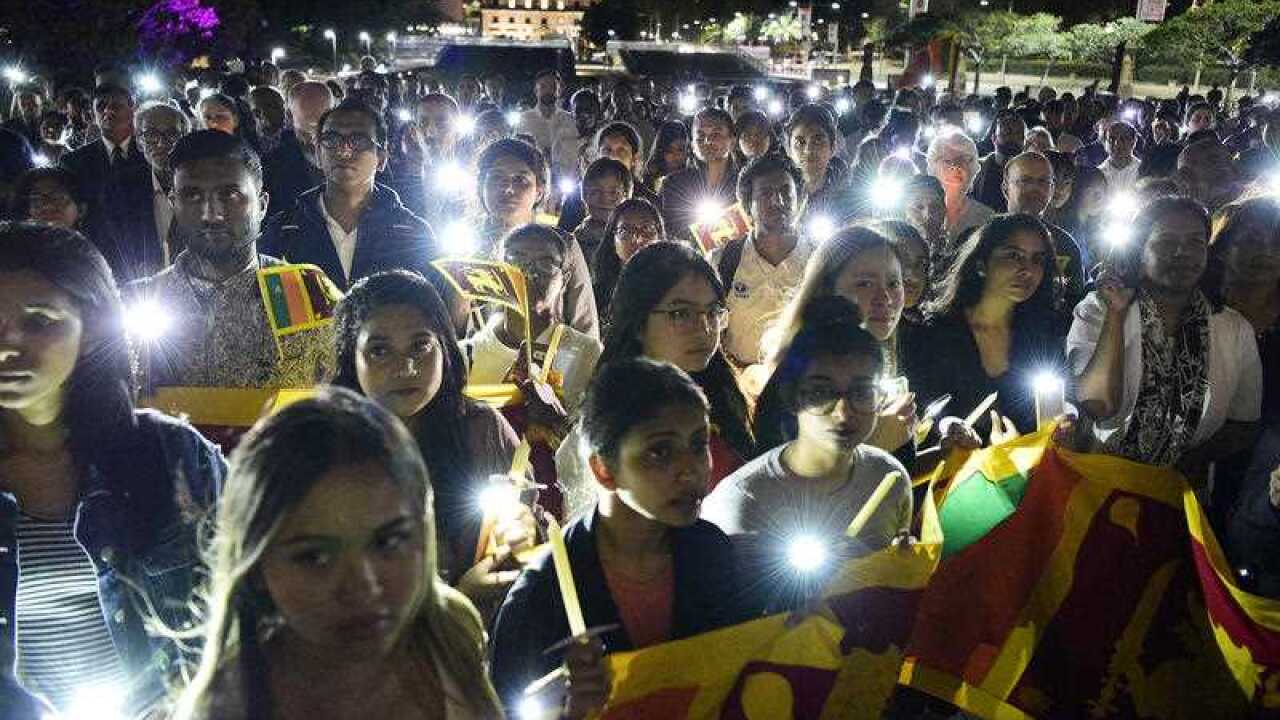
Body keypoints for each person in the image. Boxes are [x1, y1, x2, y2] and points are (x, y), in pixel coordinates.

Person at [0, 222, 225, 716]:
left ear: (90, 332)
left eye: (38, 321)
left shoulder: (171, 456)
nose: (7, 345)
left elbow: (246, 605)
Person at [170, 387, 503, 719]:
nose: (363, 584)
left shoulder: (448, 630)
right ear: (256, 566)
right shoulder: (231, 707)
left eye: (388, 541)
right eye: (315, 557)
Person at [491, 358, 749, 715]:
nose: (691, 469)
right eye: (660, 451)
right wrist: (562, 707)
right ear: (603, 469)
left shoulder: (710, 552)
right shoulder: (542, 595)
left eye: (698, 443)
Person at [328, 270, 532, 614]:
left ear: (445, 348)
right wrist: (457, 601)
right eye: (380, 351)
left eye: (420, 345)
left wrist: (524, 535)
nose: (406, 367)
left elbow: (533, 534)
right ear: (352, 359)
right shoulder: (327, 448)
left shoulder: (481, 429)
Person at [703, 298, 911, 607]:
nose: (843, 412)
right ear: (791, 396)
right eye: (821, 393)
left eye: (861, 392)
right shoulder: (742, 503)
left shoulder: (889, 478)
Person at [1068, 197, 1261, 479]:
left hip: (1181, 488)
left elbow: (1243, 424)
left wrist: (1185, 465)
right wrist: (1116, 314)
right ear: (1140, 251)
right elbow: (1098, 405)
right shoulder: (1098, 310)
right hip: (1100, 481)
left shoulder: (1233, 328)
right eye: (1166, 241)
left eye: (1195, 242)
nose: (1182, 253)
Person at [130, 131, 334, 391]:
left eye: (230, 195)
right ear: (173, 204)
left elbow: (338, 400)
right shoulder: (142, 299)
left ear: (262, 205)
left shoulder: (305, 292)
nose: (211, 215)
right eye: (193, 196)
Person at [903, 214, 1066, 442]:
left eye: (1037, 259)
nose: (1027, 270)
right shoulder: (933, 333)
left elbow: (1053, 413)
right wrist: (949, 429)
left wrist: (1064, 425)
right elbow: (921, 414)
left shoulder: (1042, 335)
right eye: (1014, 256)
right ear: (981, 263)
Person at [761, 226, 916, 460]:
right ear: (826, 289)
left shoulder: (870, 358)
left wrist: (945, 451)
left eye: (894, 283)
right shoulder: (801, 371)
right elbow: (790, 475)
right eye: (865, 284)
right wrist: (875, 445)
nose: (884, 298)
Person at [258, 99, 439, 291]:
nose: (344, 151)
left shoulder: (412, 233)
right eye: (331, 140)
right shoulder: (284, 231)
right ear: (318, 154)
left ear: (381, 158)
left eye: (359, 141)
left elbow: (435, 302)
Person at [464, 225, 602, 413]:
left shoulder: (587, 353)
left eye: (546, 264)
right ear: (497, 273)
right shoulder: (466, 354)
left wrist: (558, 422)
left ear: (565, 278)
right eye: (515, 261)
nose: (528, 274)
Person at [474, 138, 599, 339]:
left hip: (551, 356)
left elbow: (585, 325)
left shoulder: (562, 244)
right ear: (481, 186)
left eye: (520, 180)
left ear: (539, 191)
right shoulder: (466, 246)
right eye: (497, 177)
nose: (508, 189)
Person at [715, 154, 815, 368]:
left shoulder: (820, 258)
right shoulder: (723, 260)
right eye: (765, 193)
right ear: (747, 205)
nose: (777, 202)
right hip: (740, 376)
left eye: (786, 192)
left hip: (803, 378)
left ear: (799, 200)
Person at [58, 83, 153, 282]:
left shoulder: (150, 154)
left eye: (116, 106)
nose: (108, 112)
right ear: (93, 115)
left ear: (132, 110)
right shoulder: (74, 162)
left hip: (149, 256)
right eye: (101, 107)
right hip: (96, 262)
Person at [1208, 198, 1280, 426]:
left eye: (1277, 242)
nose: (1266, 251)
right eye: (1251, 240)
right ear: (1222, 249)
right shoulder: (1198, 309)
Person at [1002, 151, 1089, 311]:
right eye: (1025, 180)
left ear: (1051, 189)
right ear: (1005, 187)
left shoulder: (1065, 246)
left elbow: (1074, 306)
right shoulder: (981, 239)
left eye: (1043, 182)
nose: (1034, 188)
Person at [659, 108, 739, 243]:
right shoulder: (674, 184)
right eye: (700, 135)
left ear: (732, 141)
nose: (707, 141)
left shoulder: (746, 182)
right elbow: (671, 231)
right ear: (692, 144)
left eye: (716, 134)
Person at [135, 100, 193, 269]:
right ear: (139, 142)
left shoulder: (207, 187)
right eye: (151, 135)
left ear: (185, 139)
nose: (161, 143)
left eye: (172, 134)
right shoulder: (123, 194)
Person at [263, 81, 335, 216]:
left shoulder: (351, 152)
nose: (316, 137)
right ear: (289, 116)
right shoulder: (273, 165)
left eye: (323, 125)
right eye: (308, 130)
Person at [590, 198, 665, 320]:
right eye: (625, 231)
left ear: (660, 236)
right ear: (612, 240)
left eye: (647, 228)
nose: (638, 239)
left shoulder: (677, 290)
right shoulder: (594, 298)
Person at [925, 128, 993, 254]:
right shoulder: (918, 210)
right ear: (933, 166)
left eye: (963, 160)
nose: (956, 166)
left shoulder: (986, 217)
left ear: (973, 168)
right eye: (947, 161)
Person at [786, 103, 855, 226]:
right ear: (789, 150)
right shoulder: (780, 195)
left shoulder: (848, 192)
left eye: (818, 141)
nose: (808, 150)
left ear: (833, 147)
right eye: (800, 142)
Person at [569, 157, 630, 267]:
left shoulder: (635, 243)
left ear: (626, 196)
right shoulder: (573, 243)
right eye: (595, 191)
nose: (604, 199)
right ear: (584, 195)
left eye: (614, 192)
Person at [518, 71, 577, 182]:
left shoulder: (570, 120)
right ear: (536, 91)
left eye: (553, 87)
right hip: (534, 180)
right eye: (543, 87)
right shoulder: (524, 120)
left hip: (565, 181)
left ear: (559, 91)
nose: (548, 91)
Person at [971, 110, 1026, 213]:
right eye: (1007, 133)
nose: (1013, 138)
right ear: (994, 138)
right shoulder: (976, 168)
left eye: (1019, 134)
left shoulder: (1031, 170)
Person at [10, 167, 88, 231]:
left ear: (81, 210)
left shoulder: (91, 245)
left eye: (58, 197)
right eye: (37, 199)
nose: (47, 206)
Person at [641, 120, 691, 195]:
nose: (676, 155)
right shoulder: (650, 180)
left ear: (687, 150)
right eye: (670, 151)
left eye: (680, 150)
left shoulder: (694, 177)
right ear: (661, 152)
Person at [1098, 120, 1140, 195]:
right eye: (1112, 139)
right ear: (1105, 143)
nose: (1117, 144)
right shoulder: (1099, 174)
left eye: (1123, 139)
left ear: (1133, 142)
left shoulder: (1142, 171)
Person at [248, 86, 287, 156]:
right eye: (275, 106)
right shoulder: (248, 144)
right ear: (257, 113)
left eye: (282, 105)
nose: (283, 110)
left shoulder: (294, 136)